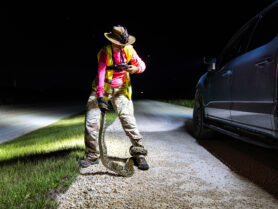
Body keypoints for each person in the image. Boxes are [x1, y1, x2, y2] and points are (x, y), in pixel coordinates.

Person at [80, 25, 149, 170]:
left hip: (121, 89)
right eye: (117, 44)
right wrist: (100, 97)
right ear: (112, 41)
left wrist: (136, 69)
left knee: (128, 120)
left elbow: (142, 65)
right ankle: (92, 155)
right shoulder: (105, 52)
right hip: (102, 88)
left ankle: (138, 152)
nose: (120, 47)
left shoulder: (130, 50)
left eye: (122, 45)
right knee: (91, 122)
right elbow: (100, 74)